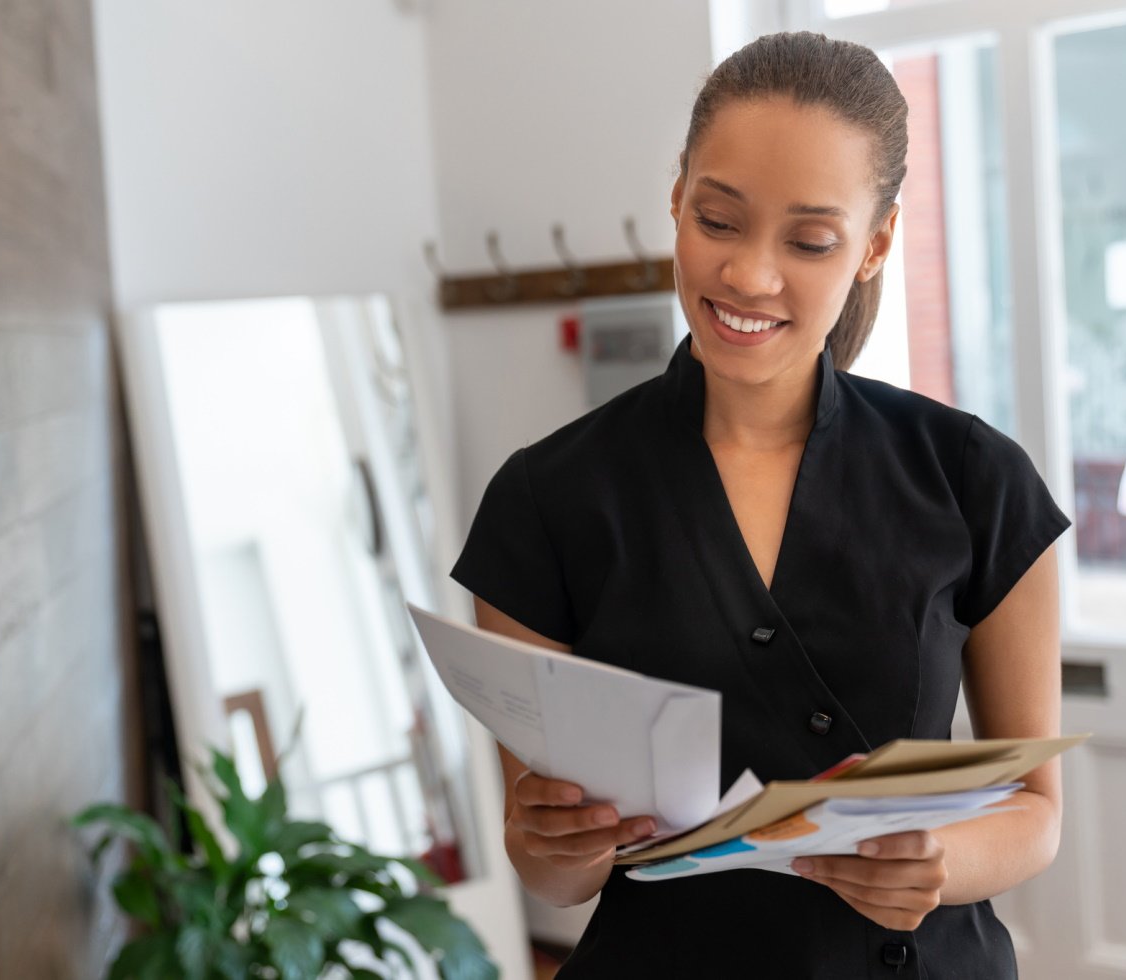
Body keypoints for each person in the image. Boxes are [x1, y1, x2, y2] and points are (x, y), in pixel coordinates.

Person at [451, 31, 1070, 978]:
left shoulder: (975, 478)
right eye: (719, 220)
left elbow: (1035, 808)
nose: (748, 276)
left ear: (875, 244)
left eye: (810, 240)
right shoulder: (546, 501)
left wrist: (937, 866)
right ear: (676, 199)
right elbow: (551, 878)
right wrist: (552, 841)